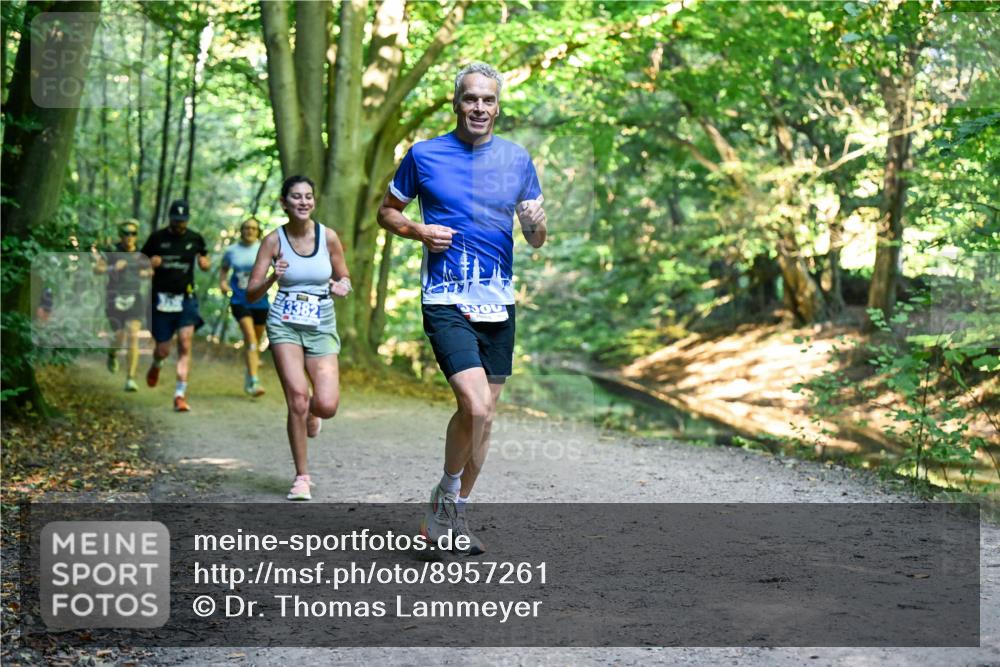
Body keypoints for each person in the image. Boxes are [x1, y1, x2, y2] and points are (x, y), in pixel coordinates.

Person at [377, 63, 547, 554]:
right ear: (457, 103)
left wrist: (535, 222)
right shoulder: (424, 155)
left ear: (498, 106)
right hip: (445, 296)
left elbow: (536, 239)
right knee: (473, 405)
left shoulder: (516, 159)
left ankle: (452, 516)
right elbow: (388, 211)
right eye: (470, 98)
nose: (479, 108)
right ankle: (447, 494)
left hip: (498, 300)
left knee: (485, 417)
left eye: (488, 100)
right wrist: (418, 231)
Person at [245, 175, 352, 501]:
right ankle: (302, 477)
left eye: (308, 196)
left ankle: (315, 415)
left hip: (321, 322)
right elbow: (251, 293)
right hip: (284, 324)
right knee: (297, 399)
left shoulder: (328, 237)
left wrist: (342, 286)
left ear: (313, 201)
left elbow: (343, 274)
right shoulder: (273, 241)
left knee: (327, 405)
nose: (303, 202)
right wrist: (271, 279)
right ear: (284, 203)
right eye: (296, 196)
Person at [140, 199, 210, 412]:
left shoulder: (195, 238)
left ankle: (180, 394)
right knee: (162, 350)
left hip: (185, 298)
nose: (180, 224)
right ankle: (157, 364)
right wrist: (149, 264)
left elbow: (205, 258)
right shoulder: (157, 238)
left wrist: (205, 263)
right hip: (160, 300)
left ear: (188, 220)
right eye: (176, 220)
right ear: (170, 218)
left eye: (183, 221)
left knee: (185, 343)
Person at [93, 219, 152, 391]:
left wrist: (145, 272)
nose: (129, 237)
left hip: (134, 297)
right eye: (126, 233)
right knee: (119, 336)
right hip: (114, 298)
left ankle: (130, 379)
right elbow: (97, 269)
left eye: (133, 233)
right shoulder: (112, 252)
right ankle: (112, 353)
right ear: (120, 235)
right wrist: (113, 268)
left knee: (133, 335)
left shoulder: (141, 254)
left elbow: (150, 271)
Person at [220, 218, 269, 397]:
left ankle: (249, 376)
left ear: (258, 231)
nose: (250, 231)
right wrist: (223, 283)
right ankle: (255, 382)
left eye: (253, 228)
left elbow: (279, 269)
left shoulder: (266, 249)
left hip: (261, 301)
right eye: (246, 228)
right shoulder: (232, 251)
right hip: (240, 300)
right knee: (250, 338)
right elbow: (224, 269)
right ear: (241, 230)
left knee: (254, 342)